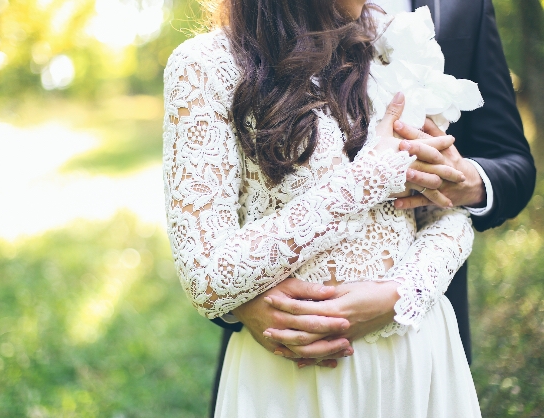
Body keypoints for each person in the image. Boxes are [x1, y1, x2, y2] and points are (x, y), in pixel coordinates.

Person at [163, 0, 504, 415]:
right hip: (296, 377)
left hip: (416, 357)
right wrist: (366, 180)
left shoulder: (388, 45)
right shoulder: (204, 65)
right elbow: (205, 276)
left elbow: (445, 211)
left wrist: (401, 295)